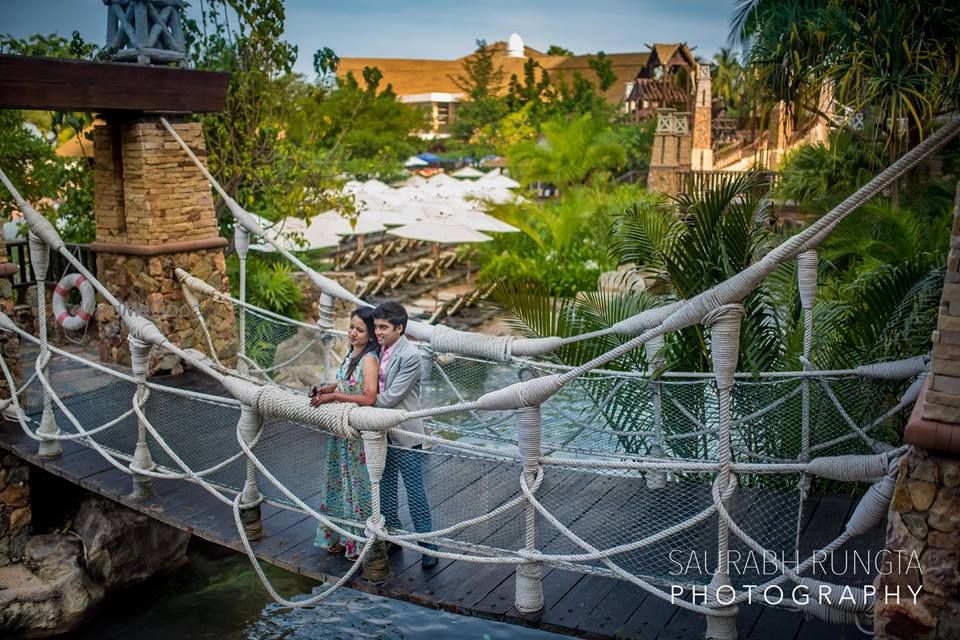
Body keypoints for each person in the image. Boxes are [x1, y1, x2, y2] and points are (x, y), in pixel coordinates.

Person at [372, 301, 438, 569]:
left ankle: (428, 545)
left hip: (406, 435)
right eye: (376, 327)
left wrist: (356, 400)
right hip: (381, 432)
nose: (378, 332)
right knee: (385, 487)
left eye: (384, 327)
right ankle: (393, 536)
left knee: (414, 492)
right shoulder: (380, 350)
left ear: (399, 328)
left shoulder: (411, 356)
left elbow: (389, 399)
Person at [310, 307, 380, 560]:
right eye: (351, 327)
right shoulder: (351, 354)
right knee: (338, 483)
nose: (352, 333)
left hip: (357, 437)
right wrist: (325, 389)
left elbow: (369, 397)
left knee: (355, 486)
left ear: (371, 334)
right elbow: (343, 382)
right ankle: (338, 536)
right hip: (341, 434)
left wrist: (335, 396)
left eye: (360, 330)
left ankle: (357, 541)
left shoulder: (370, 359)